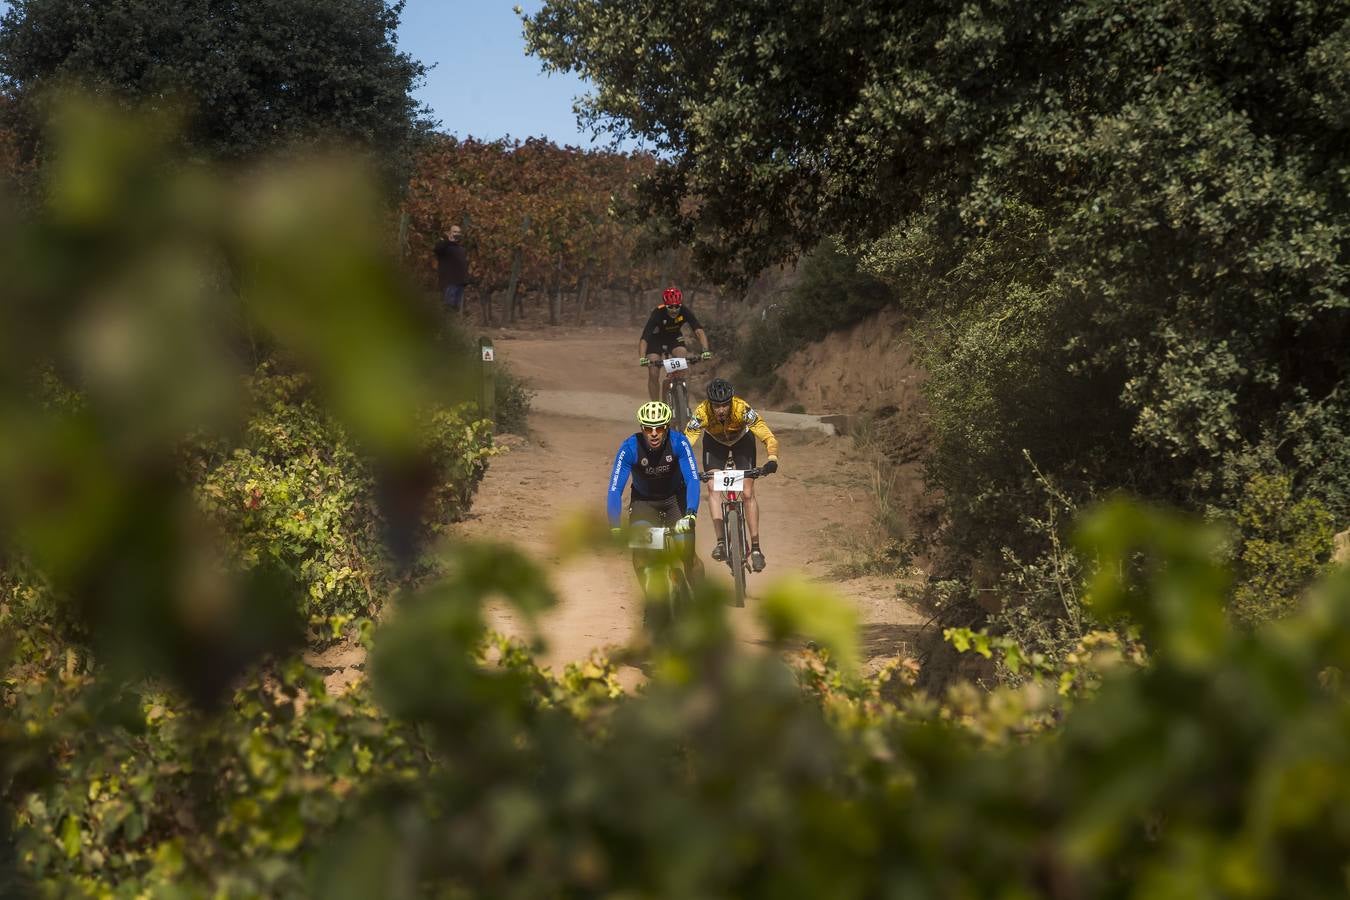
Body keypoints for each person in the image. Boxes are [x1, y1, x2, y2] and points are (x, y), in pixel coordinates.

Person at [683, 377, 779, 572]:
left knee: (747, 492)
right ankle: (720, 541)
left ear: (731, 401)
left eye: (725, 405)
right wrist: (681, 464)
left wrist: (772, 458)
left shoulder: (742, 408)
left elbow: (765, 433)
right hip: (714, 444)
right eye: (716, 406)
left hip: (742, 441)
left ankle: (756, 548)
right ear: (710, 404)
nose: (721, 410)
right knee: (712, 486)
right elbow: (686, 441)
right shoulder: (701, 412)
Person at [607, 401, 703, 580]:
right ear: (641, 428)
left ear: (667, 428)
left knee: (687, 555)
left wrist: (691, 513)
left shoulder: (679, 442)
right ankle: (652, 603)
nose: (653, 434)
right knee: (641, 556)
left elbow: (692, 479)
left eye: (659, 429)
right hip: (644, 503)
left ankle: (700, 603)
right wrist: (615, 527)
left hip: (675, 499)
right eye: (648, 428)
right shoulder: (629, 448)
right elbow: (614, 490)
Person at [638, 286, 712, 401]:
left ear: (680, 305)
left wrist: (705, 350)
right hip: (656, 340)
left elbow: (698, 331)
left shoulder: (685, 311)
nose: (674, 310)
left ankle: (683, 399)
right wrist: (642, 357)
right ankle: (656, 405)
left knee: (682, 356)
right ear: (665, 305)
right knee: (653, 372)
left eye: (676, 306)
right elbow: (645, 338)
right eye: (670, 307)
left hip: (674, 338)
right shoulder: (658, 313)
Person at [433, 225, 469, 315]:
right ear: (449, 233)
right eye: (454, 232)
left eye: (458, 232)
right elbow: (437, 249)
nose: (457, 234)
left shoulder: (461, 249)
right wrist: (448, 241)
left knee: (454, 307)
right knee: (448, 306)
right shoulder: (444, 246)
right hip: (449, 281)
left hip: (459, 282)